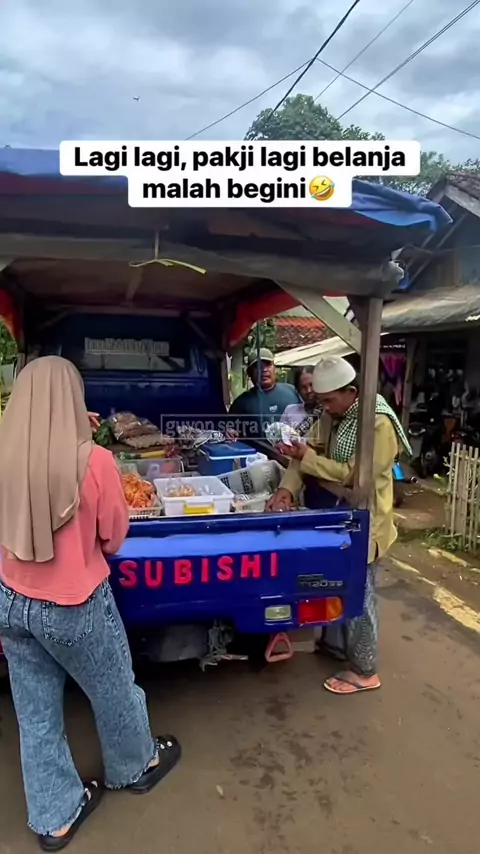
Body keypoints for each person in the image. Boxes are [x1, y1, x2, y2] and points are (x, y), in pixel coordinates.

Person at [0, 356, 181, 850]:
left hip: (10, 600)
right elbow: (113, 538)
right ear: (73, 399)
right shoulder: (95, 461)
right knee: (113, 688)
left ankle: (54, 817)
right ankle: (136, 765)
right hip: (73, 603)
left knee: (35, 714)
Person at [267, 356, 411, 696]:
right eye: (322, 401)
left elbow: (353, 475)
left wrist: (306, 457)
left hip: (366, 519)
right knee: (334, 583)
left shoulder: (378, 424)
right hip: (337, 515)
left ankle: (364, 670)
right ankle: (335, 645)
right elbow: (304, 454)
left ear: (352, 392)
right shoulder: (334, 414)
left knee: (360, 592)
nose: (325, 407)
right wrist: (287, 489)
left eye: (329, 400)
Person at [230, 348, 299, 437]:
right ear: (249, 373)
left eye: (268, 365)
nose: (264, 370)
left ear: (275, 368)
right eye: (258, 366)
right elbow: (230, 431)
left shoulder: (292, 391)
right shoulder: (241, 403)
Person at [281, 366, 322, 435]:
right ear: (298, 390)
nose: (308, 391)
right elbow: (282, 437)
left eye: (311, 385)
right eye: (303, 387)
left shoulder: (328, 412)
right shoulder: (290, 411)